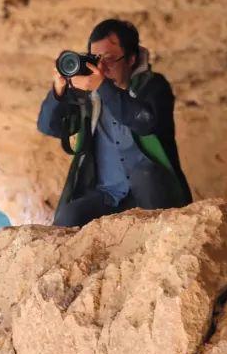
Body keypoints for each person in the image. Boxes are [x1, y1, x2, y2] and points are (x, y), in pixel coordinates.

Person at [37, 19, 191, 227]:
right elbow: (48, 127)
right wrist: (59, 91)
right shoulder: (88, 96)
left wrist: (103, 87)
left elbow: (145, 123)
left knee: (144, 176)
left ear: (131, 59)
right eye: (95, 59)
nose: (101, 67)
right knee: (69, 215)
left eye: (108, 59)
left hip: (151, 190)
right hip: (107, 194)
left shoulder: (153, 86)